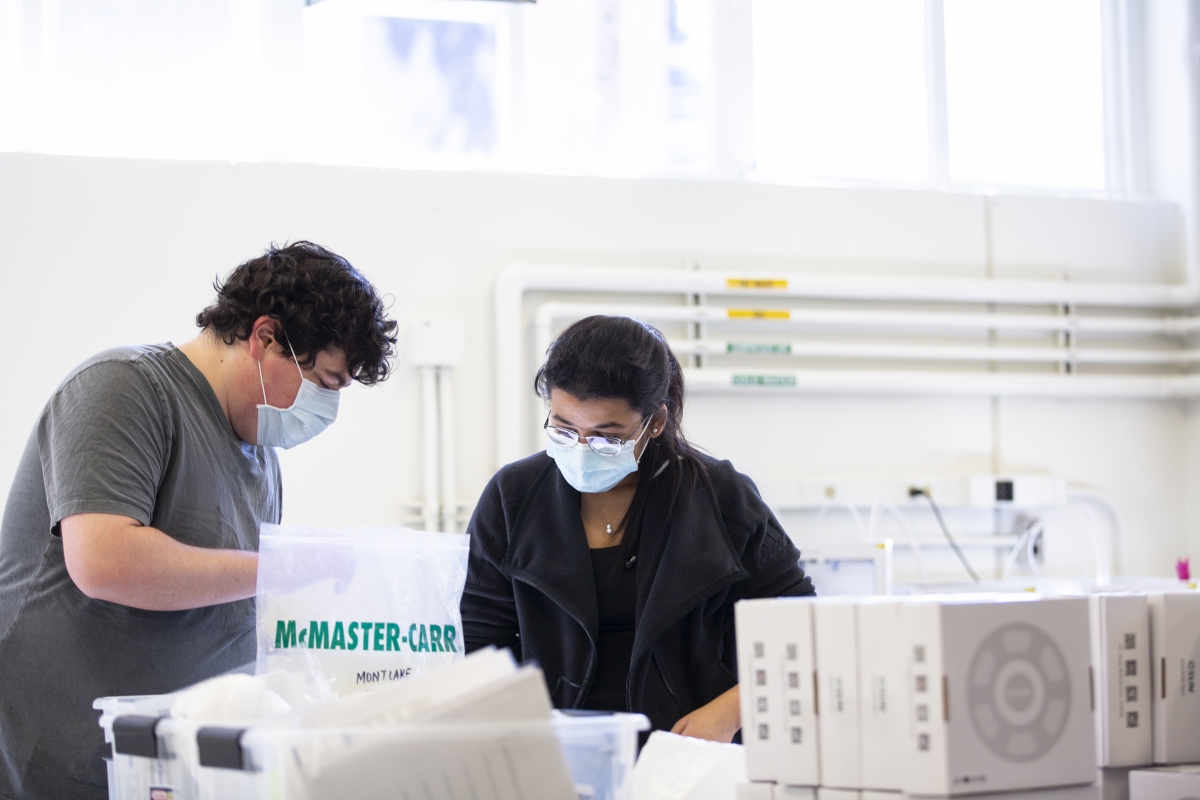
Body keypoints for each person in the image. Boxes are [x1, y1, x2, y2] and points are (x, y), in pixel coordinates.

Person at [0, 241, 397, 800]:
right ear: (264, 338)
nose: (327, 409)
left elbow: (227, 598)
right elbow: (104, 560)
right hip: (64, 764)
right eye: (325, 384)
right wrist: (278, 569)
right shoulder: (125, 388)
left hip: (168, 769)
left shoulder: (259, 454)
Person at [462, 315, 814, 742]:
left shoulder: (721, 499)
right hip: (559, 753)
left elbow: (802, 628)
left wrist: (727, 713)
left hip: (687, 751)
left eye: (607, 436)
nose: (582, 449)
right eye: (564, 429)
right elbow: (477, 640)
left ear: (656, 423)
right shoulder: (512, 498)